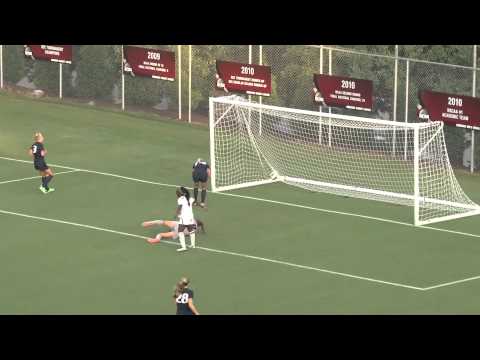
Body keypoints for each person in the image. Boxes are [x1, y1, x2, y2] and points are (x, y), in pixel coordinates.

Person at [176, 187, 197, 252]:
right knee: (191, 231)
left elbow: (180, 207)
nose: (177, 193)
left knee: (180, 232)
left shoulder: (180, 199)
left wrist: (177, 213)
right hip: (190, 217)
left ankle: (183, 247)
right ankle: (193, 245)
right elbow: (196, 203)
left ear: (182, 193)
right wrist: (202, 206)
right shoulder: (190, 198)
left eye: (178, 192)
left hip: (184, 218)